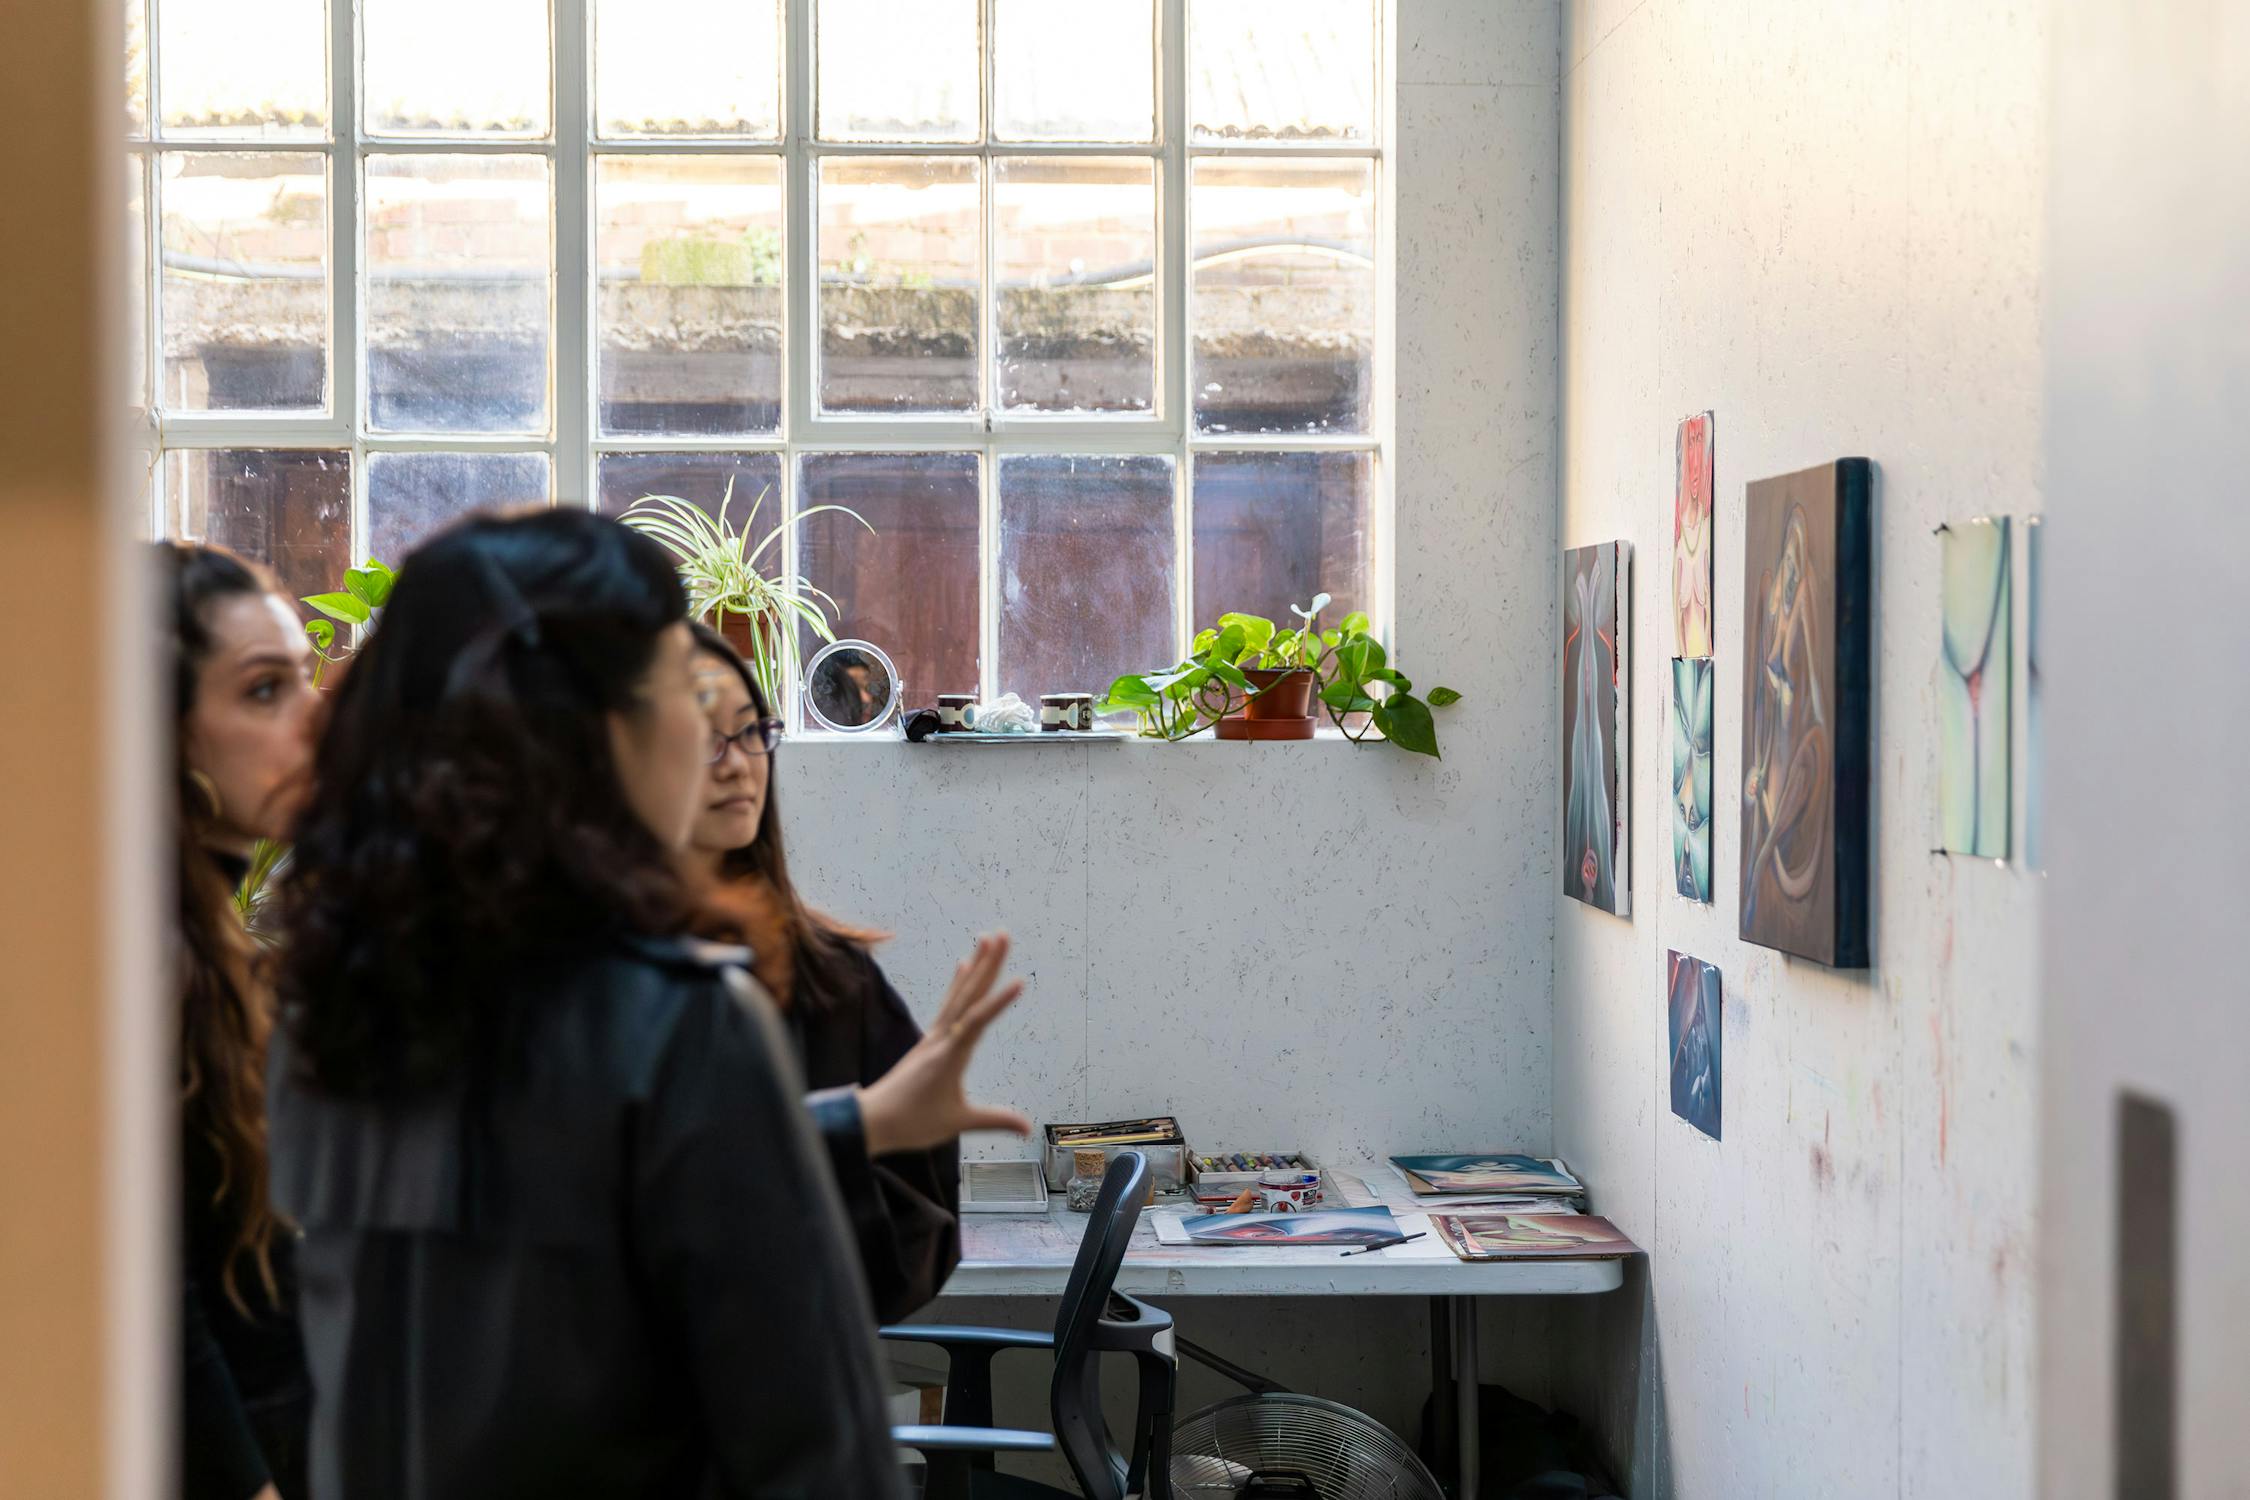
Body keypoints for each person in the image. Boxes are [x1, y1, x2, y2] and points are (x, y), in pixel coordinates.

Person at [266, 509, 1022, 1498]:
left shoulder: (330, 1012)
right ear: (596, 732)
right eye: (683, 689)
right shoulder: (678, 1021)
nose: (720, 742)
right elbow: (815, 1455)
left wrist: (848, 1125)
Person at [687, 624, 1005, 1322]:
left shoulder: (830, 978)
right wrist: (856, 1125)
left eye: (749, 734)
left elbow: (914, 1249)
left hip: (792, 1385)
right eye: (704, 739)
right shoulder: (581, 984)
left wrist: (899, 1125)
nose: (738, 765)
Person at [161, 541, 320, 1500]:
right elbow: (145, 1294)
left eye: (302, 680)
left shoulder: (203, 930)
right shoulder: (132, 952)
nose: (310, 720)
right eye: (264, 691)